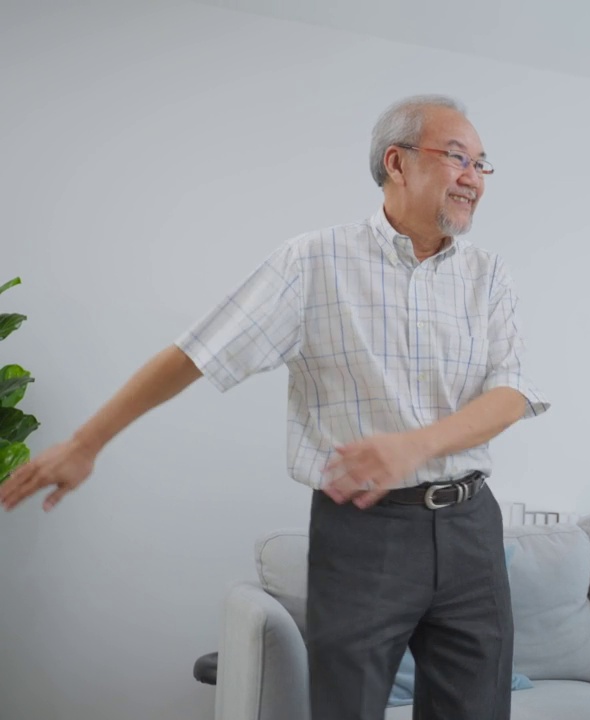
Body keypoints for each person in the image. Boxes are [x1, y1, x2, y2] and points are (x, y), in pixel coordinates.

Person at [0, 95, 548, 720]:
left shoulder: (489, 275)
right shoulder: (314, 262)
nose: (474, 178)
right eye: (458, 158)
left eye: (482, 164)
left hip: (471, 527)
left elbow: (510, 395)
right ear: (396, 163)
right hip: (366, 534)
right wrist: (85, 443)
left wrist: (415, 444)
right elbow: (195, 352)